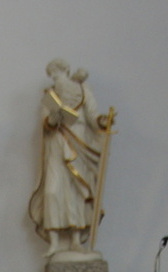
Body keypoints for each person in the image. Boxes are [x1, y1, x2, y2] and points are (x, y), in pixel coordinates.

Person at [28, 59, 113, 258]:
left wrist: (103, 121)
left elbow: (93, 116)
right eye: (52, 75)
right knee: (52, 191)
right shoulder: (50, 95)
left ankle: (76, 240)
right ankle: (54, 242)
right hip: (56, 143)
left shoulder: (83, 90)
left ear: (66, 71)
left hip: (79, 141)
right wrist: (52, 119)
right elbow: (45, 120)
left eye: (57, 73)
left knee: (76, 191)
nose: (55, 78)